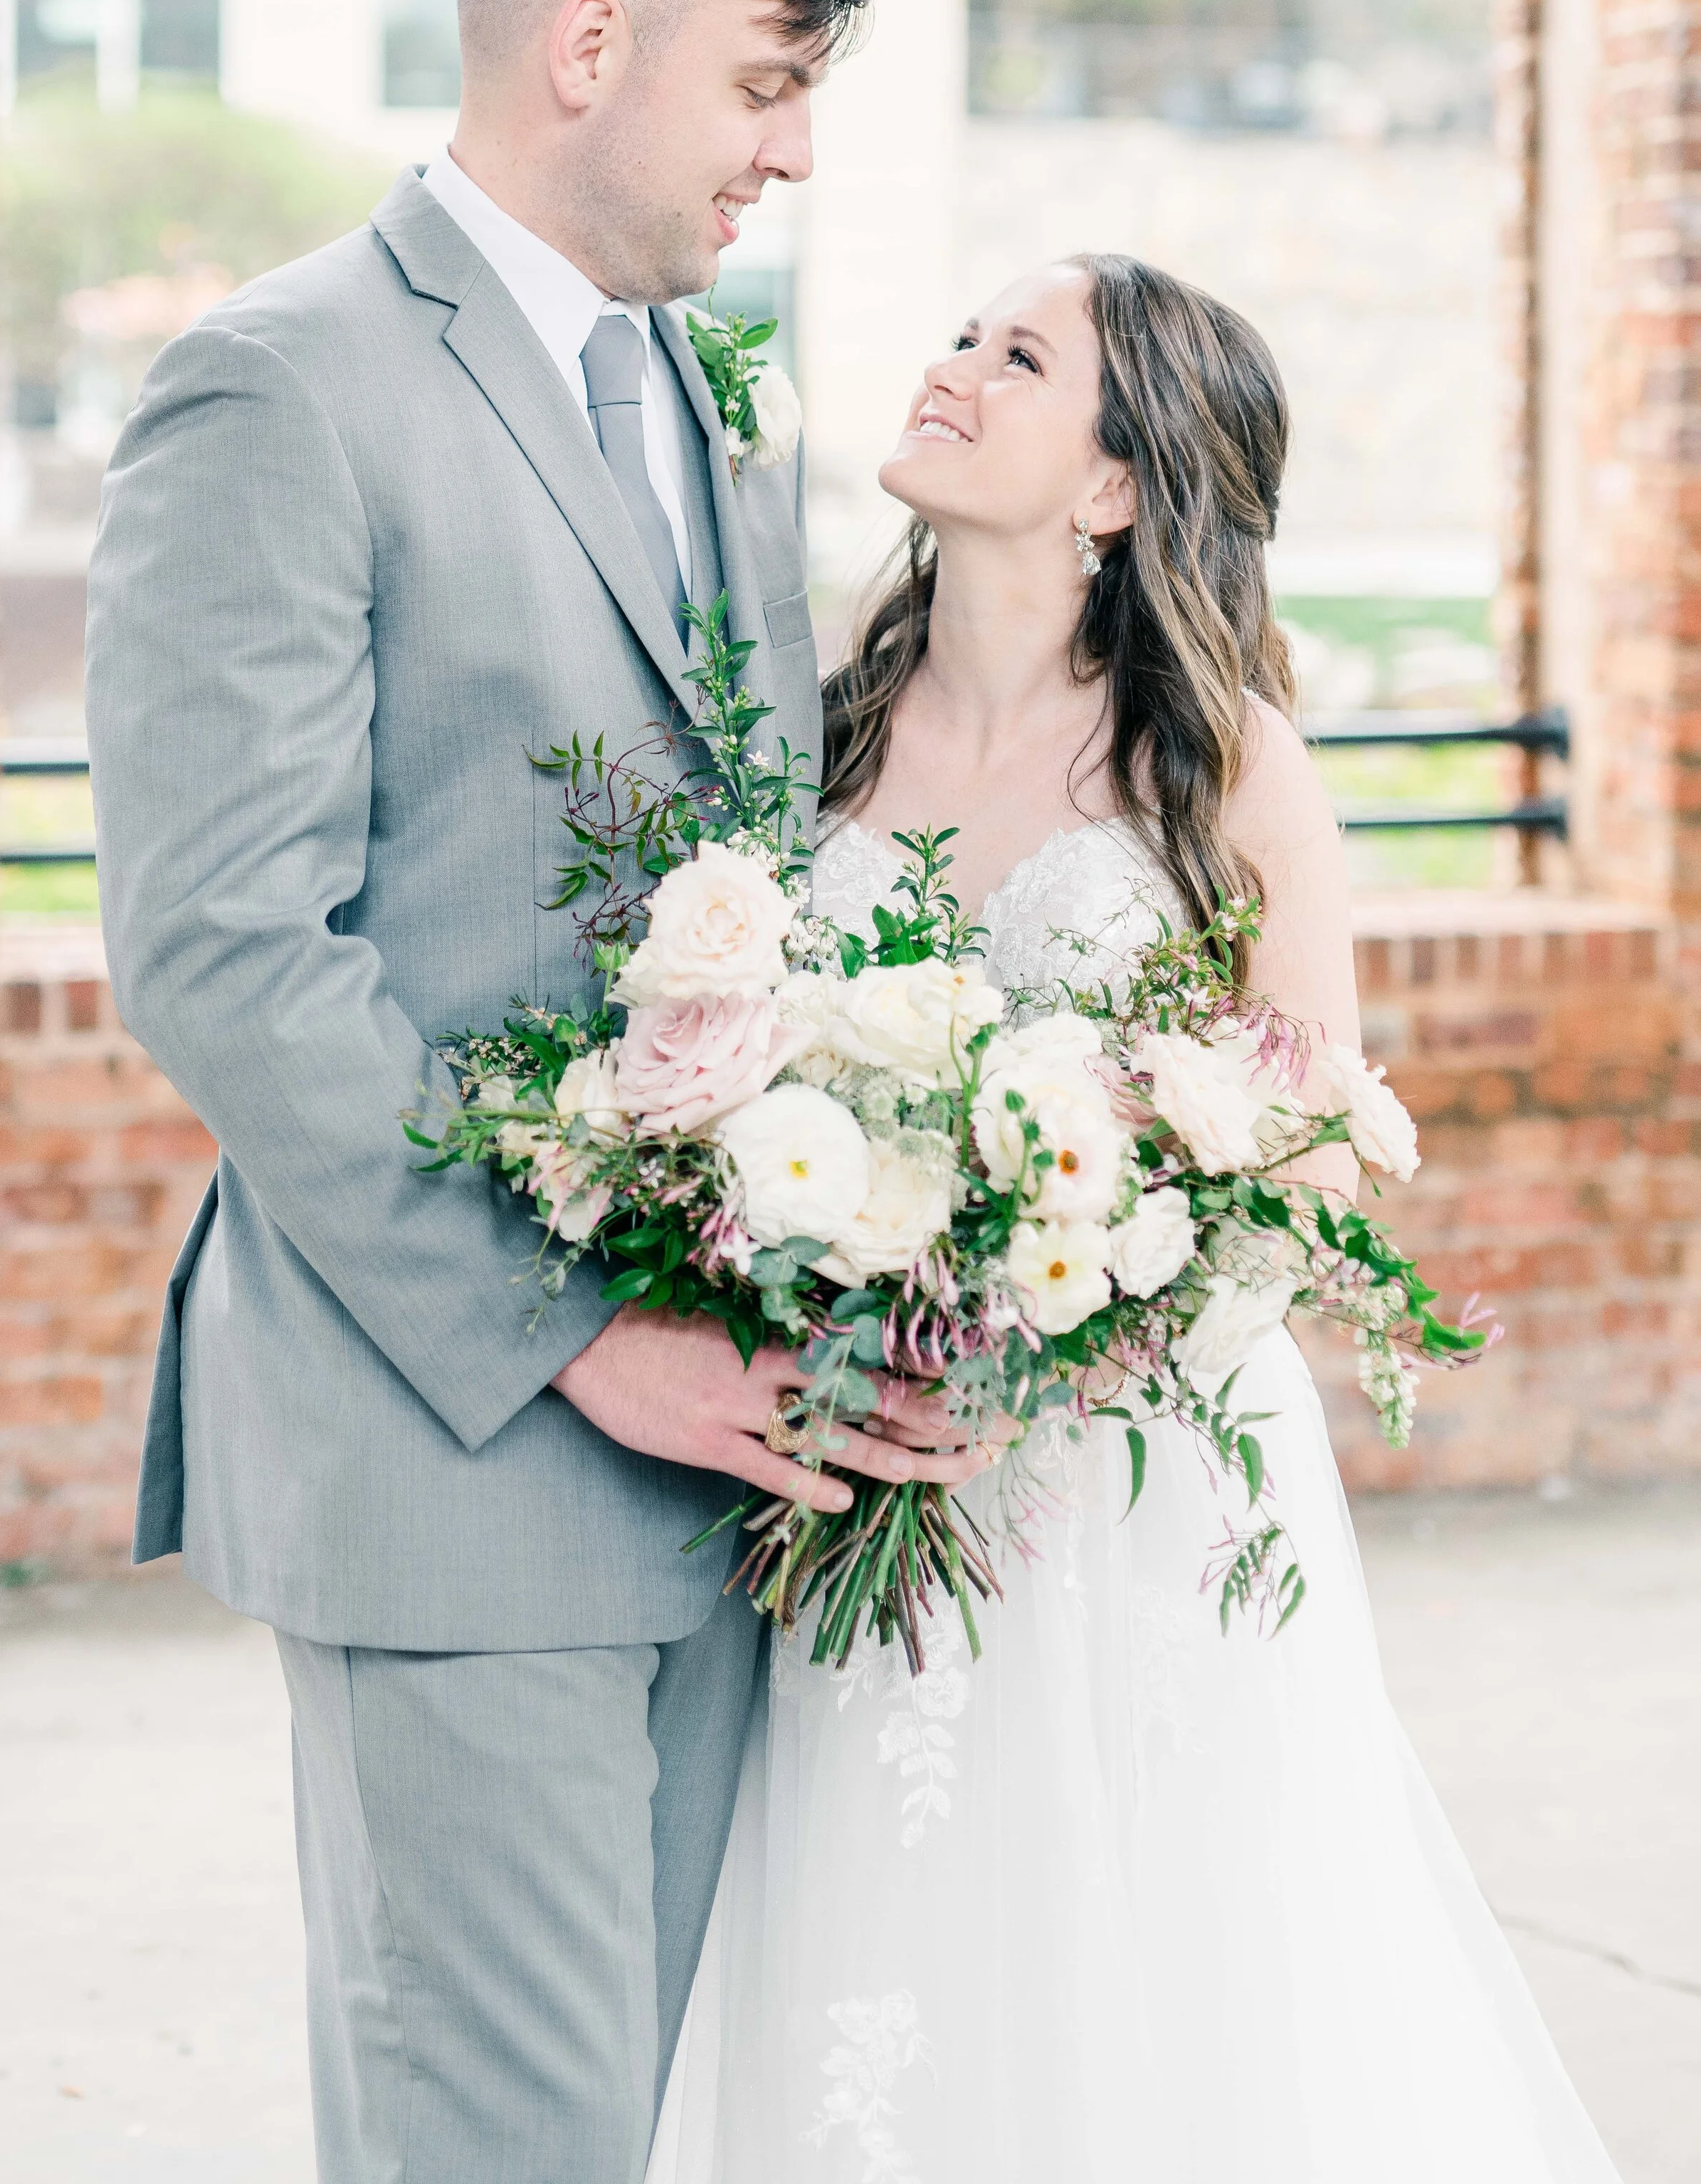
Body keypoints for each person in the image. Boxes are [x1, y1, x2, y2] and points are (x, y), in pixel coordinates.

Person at [85, 0, 987, 2184]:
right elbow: (221, 937)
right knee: (499, 2149)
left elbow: (771, 880)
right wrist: (581, 1331)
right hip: (459, 1446)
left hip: (734, 1458)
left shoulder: (721, 394)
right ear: (590, 37)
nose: (787, 155)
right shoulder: (275, 390)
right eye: (769, 83)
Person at [649, 255, 1623, 2183]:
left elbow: (1321, 1141)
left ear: (1111, 487)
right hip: (876, 1445)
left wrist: (1076, 1311)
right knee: (889, 1961)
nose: (951, 368)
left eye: (1015, 357)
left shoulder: (1226, 768)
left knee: (1177, 1968)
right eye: (956, 335)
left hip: (1140, 1473)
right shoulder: (817, 732)